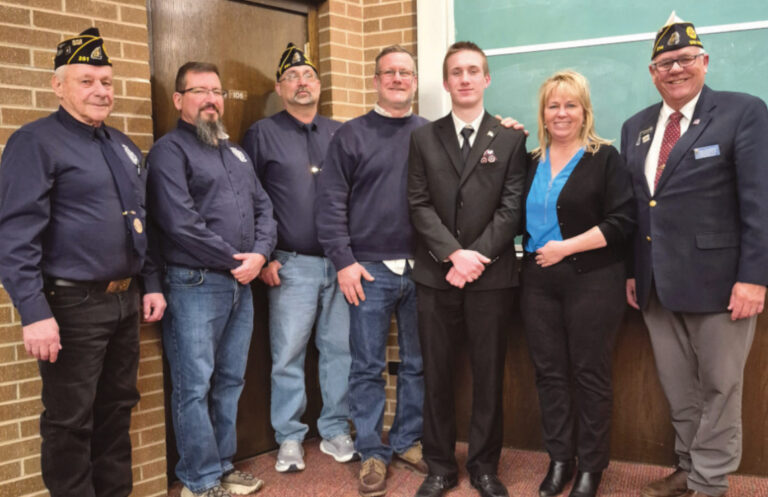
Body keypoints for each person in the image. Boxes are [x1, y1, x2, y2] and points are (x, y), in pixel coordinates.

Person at [0, 27, 166, 497]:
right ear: (58, 86)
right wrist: (33, 312)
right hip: (70, 306)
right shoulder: (35, 143)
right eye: (87, 80)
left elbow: (142, 222)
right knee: (70, 420)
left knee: (116, 409)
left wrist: (150, 282)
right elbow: (14, 235)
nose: (100, 91)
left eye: (106, 82)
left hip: (124, 302)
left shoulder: (123, 146)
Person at [621, 13, 768, 497]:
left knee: (720, 390)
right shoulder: (636, 127)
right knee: (679, 390)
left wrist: (755, 276)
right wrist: (631, 272)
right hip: (656, 284)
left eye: (684, 59)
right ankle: (687, 468)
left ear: (704, 61)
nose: (675, 69)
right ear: (651, 72)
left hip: (722, 284)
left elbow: (759, 201)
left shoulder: (742, 112)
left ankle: (709, 484)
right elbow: (638, 208)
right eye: (664, 62)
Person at [147, 61, 277, 497]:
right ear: (179, 100)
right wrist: (237, 260)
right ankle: (198, 481)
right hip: (194, 285)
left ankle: (222, 466)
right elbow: (178, 222)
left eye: (217, 91)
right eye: (199, 90)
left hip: (241, 284)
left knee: (230, 381)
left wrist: (259, 255)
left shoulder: (235, 151)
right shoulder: (169, 151)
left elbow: (265, 209)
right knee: (193, 384)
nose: (210, 99)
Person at [407, 41, 527, 497]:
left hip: (491, 278)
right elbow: (418, 203)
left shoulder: (512, 138)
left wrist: (474, 258)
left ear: (486, 79)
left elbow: (511, 208)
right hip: (435, 278)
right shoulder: (422, 137)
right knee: (436, 374)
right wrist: (452, 255)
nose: (465, 78)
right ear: (446, 81)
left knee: (488, 374)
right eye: (456, 71)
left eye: (473, 70)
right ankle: (439, 466)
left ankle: (483, 467)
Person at [315, 45, 429, 497]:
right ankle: (370, 451)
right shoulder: (350, 135)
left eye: (406, 73)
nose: (398, 79)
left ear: (415, 81)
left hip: (423, 270)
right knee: (365, 367)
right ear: (376, 80)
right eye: (390, 73)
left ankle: (406, 440)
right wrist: (344, 261)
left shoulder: (429, 133)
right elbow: (330, 204)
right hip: (367, 272)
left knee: (417, 364)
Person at [521, 70, 635, 497]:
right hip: (537, 282)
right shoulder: (530, 160)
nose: (562, 113)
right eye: (554, 105)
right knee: (549, 374)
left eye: (571, 104)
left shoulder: (605, 157)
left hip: (593, 280)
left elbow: (622, 222)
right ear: (543, 113)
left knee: (589, 374)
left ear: (584, 110)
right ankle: (560, 460)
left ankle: (591, 467)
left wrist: (564, 249)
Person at [242, 43, 354, 473]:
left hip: (340, 263)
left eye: (308, 76)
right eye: (292, 77)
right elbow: (249, 200)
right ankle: (288, 436)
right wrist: (264, 255)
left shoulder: (340, 133)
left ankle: (334, 430)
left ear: (320, 86)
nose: (302, 83)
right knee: (287, 353)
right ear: (279, 87)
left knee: (338, 351)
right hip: (289, 264)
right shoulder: (261, 133)